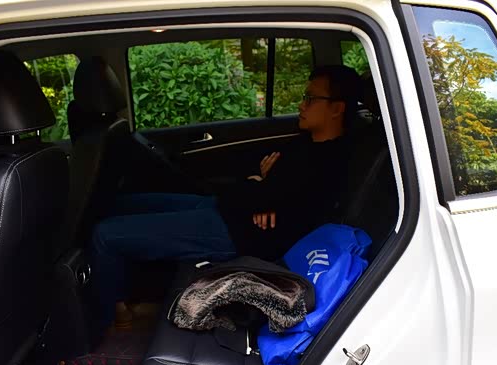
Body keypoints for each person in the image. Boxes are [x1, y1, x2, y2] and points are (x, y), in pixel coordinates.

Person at [89, 65, 363, 332]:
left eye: (311, 98)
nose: (301, 105)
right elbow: (258, 185)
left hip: (240, 234)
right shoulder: (305, 142)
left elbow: (263, 195)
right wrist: (261, 186)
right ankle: (125, 297)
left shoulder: (328, 161)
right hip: (228, 211)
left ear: (337, 108)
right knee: (122, 205)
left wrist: (261, 189)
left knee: (105, 234)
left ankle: (109, 324)